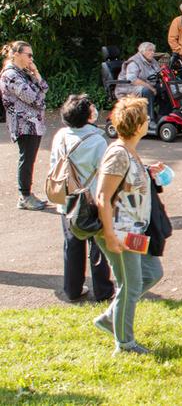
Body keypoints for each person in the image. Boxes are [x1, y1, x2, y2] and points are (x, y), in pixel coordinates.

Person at [92, 97, 165, 355]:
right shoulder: (118, 154)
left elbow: (129, 181)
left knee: (152, 272)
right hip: (119, 231)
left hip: (134, 230)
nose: (148, 121)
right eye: (145, 118)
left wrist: (147, 171)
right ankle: (124, 344)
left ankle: (111, 317)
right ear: (137, 126)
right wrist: (110, 235)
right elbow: (102, 196)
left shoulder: (129, 150)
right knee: (131, 285)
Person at [50, 94, 114, 302]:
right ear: (87, 116)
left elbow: (54, 164)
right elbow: (104, 172)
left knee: (72, 244)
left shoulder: (60, 136)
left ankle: (72, 289)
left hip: (68, 199)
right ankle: (103, 290)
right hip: (93, 200)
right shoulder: (97, 141)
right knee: (98, 246)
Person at [1, 41, 49, 210]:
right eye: (28, 55)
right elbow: (35, 99)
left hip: (33, 123)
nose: (31, 58)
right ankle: (24, 196)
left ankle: (27, 193)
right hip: (24, 125)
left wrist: (35, 72)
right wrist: (39, 95)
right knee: (26, 159)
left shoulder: (24, 73)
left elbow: (44, 88)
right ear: (16, 54)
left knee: (30, 159)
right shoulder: (11, 75)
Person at [115, 42, 161, 113]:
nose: (152, 52)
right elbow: (132, 79)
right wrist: (151, 87)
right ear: (142, 51)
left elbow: (159, 72)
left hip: (146, 85)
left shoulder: (153, 61)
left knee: (165, 88)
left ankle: (164, 114)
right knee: (147, 91)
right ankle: (150, 118)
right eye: (150, 50)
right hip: (128, 88)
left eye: (153, 51)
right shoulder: (134, 61)